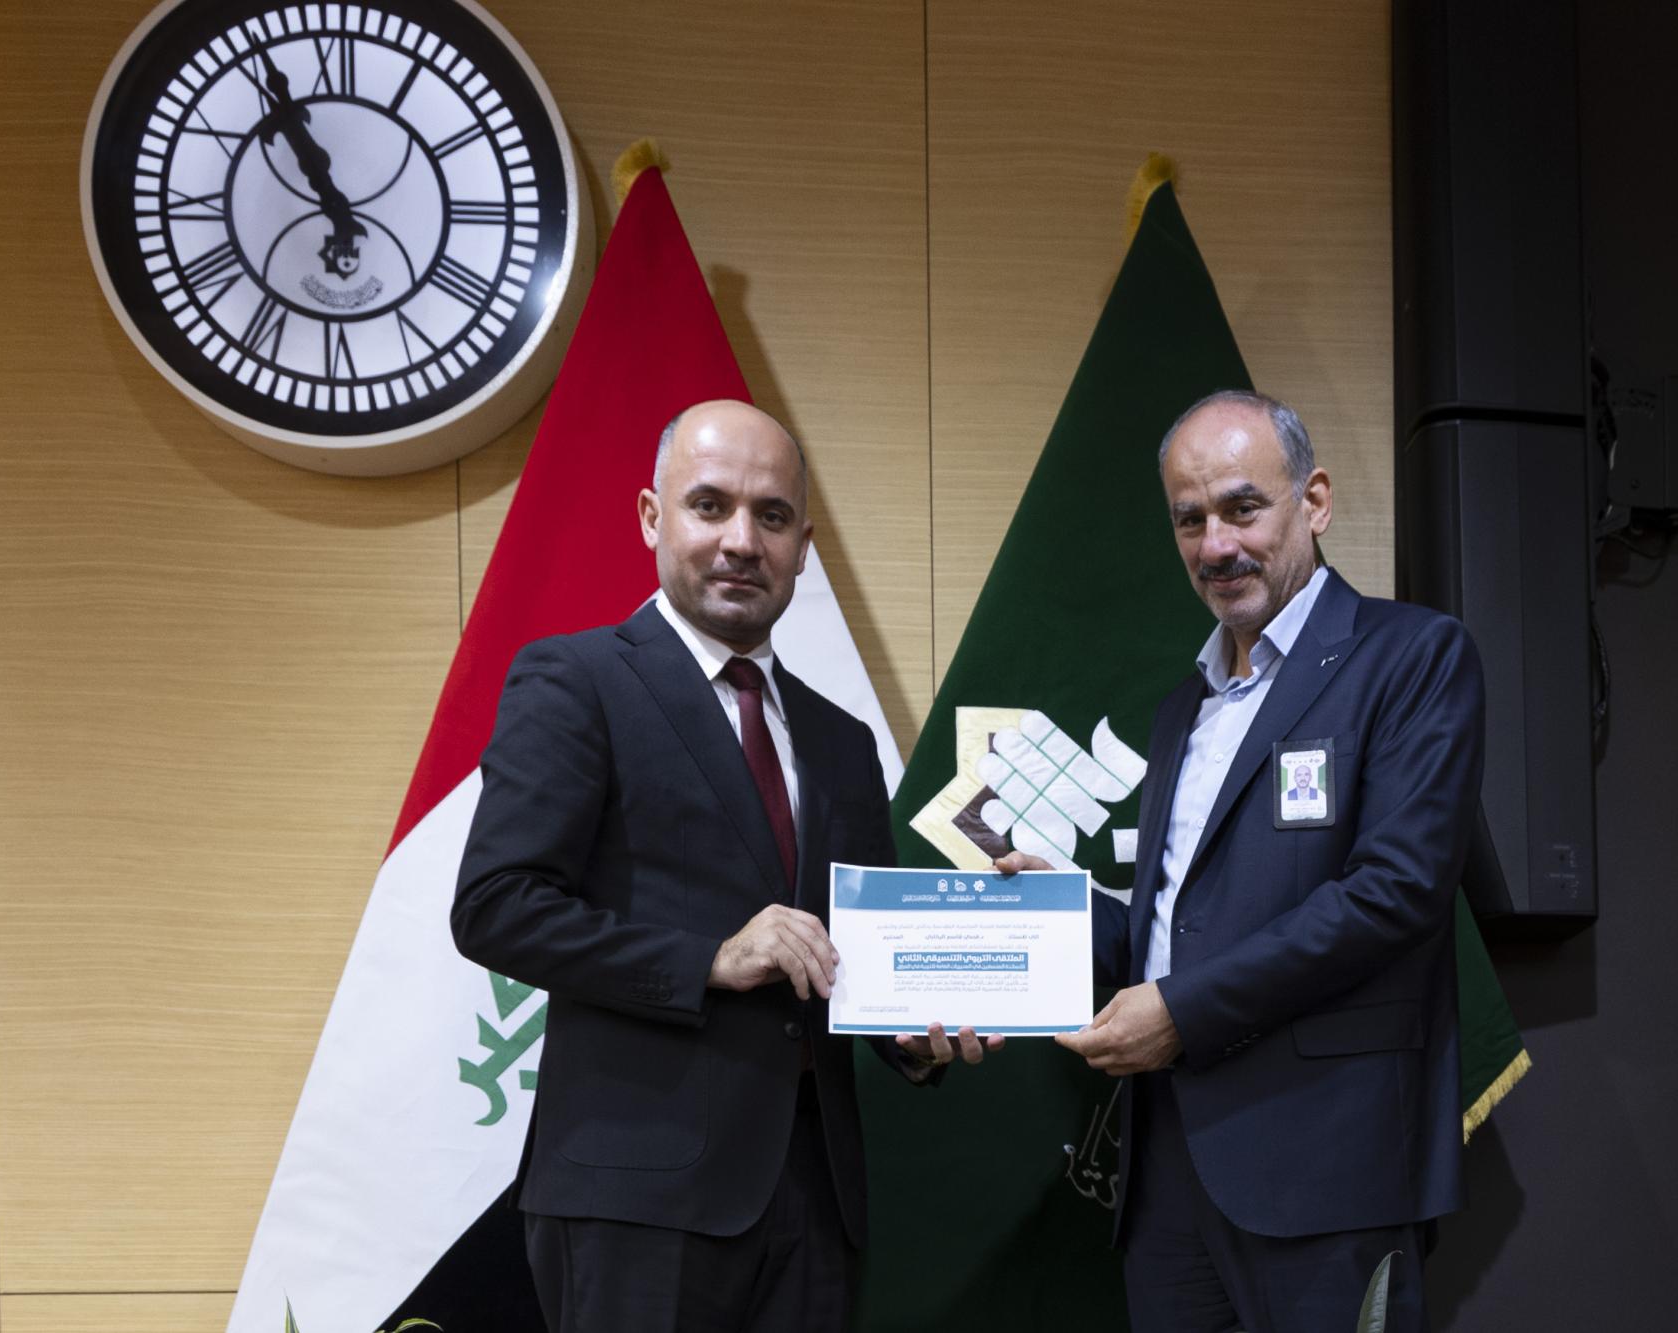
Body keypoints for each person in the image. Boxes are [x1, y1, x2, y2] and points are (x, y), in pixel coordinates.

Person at [451, 399, 996, 1333]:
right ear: (651, 517)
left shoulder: (842, 741)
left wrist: (912, 1031)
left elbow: (856, 955)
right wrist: (710, 957)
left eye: (772, 516)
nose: (742, 540)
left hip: (814, 1202)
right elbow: (496, 906)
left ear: (803, 546)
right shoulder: (577, 680)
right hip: (635, 1199)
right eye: (710, 505)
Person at [1003, 389, 1484, 1333]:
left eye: (1241, 507)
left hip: (1328, 1169)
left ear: (1314, 501)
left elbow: (1395, 894)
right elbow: (1181, 927)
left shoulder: (1414, 657)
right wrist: (1062, 911)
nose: (1215, 545)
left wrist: (1181, 1013)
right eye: (1190, 520)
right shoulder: (1184, 707)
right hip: (1168, 1171)